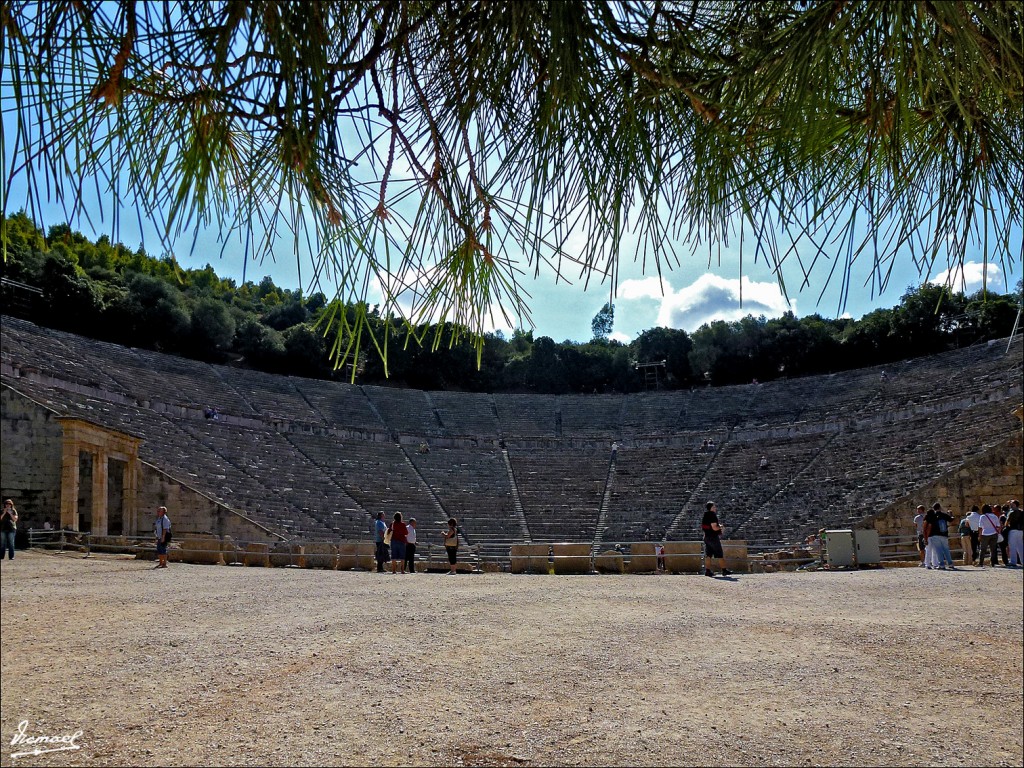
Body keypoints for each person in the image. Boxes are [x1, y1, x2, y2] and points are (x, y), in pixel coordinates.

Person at [701, 501, 731, 577]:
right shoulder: (712, 515)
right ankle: (724, 570)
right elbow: (714, 528)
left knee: (708, 555)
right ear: (710, 508)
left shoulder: (705, 515)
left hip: (706, 537)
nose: (715, 508)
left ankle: (707, 571)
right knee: (720, 554)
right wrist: (721, 527)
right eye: (714, 507)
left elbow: (707, 526)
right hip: (713, 537)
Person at [923, 502, 955, 570]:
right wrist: (951, 514)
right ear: (940, 508)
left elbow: (929, 525)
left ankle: (941, 565)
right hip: (944, 534)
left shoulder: (933, 516)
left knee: (938, 550)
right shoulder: (944, 515)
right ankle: (950, 564)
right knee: (946, 549)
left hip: (935, 535)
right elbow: (951, 519)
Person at [976, 504, 1001, 568]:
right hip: (994, 534)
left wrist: (979, 535)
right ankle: (992, 563)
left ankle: (981, 563)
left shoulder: (982, 517)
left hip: (985, 534)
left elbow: (980, 527)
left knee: (983, 549)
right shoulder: (995, 516)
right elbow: (998, 526)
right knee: (993, 549)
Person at [1005, 500, 1023, 568]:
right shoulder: (1022, 512)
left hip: (1013, 530)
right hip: (1021, 531)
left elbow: (1007, 522)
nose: (1010, 505)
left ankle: (1013, 561)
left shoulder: (1012, 512)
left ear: (1015, 504)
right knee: (1020, 546)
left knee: (1012, 546)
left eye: (1012, 504)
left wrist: (1006, 526)